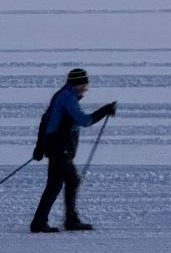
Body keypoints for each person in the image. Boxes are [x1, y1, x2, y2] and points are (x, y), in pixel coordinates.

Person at [30, 68, 116, 233]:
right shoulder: (67, 98)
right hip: (60, 148)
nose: (86, 89)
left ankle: (66, 219)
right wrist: (105, 110)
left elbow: (45, 119)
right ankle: (44, 221)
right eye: (84, 85)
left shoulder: (63, 95)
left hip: (59, 148)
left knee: (69, 181)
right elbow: (84, 120)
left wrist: (40, 146)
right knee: (57, 184)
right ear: (77, 84)